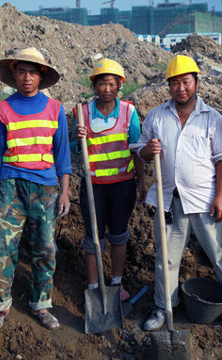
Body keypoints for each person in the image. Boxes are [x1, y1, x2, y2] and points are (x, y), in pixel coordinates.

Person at [131, 54, 222, 331]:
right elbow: (139, 150)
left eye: (186, 82)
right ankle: (164, 306)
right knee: (166, 258)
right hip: (170, 200)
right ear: (168, 86)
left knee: (219, 253)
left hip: (206, 200)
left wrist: (221, 197)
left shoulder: (211, 118)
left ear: (196, 82)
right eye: (175, 83)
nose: (181, 88)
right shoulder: (158, 116)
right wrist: (148, 151)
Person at [0, 47, 71, 331]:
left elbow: (63, 156)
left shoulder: (55, 109)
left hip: (45, 189)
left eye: (32, 72)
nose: (26, 77)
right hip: (10, 188)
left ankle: (41, 304)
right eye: (21, 71)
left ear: (41, 76)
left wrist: (65, 191)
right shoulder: (1, 110)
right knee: (2, 248)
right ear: (14, 74)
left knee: (45, 248)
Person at [71, 58, 147, 301]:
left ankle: (116, 283)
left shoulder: (128, 111)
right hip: (93, 187)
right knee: (94, 237)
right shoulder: (82, 113)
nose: (107, 89)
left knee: (119, 234)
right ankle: (94, 287)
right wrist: (78, 137)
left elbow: (136, 148)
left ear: (119, 86)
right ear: (95, 86)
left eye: (112, 84)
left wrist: (141, 182)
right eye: (102, 84)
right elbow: (74, 148)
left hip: (123, 186)